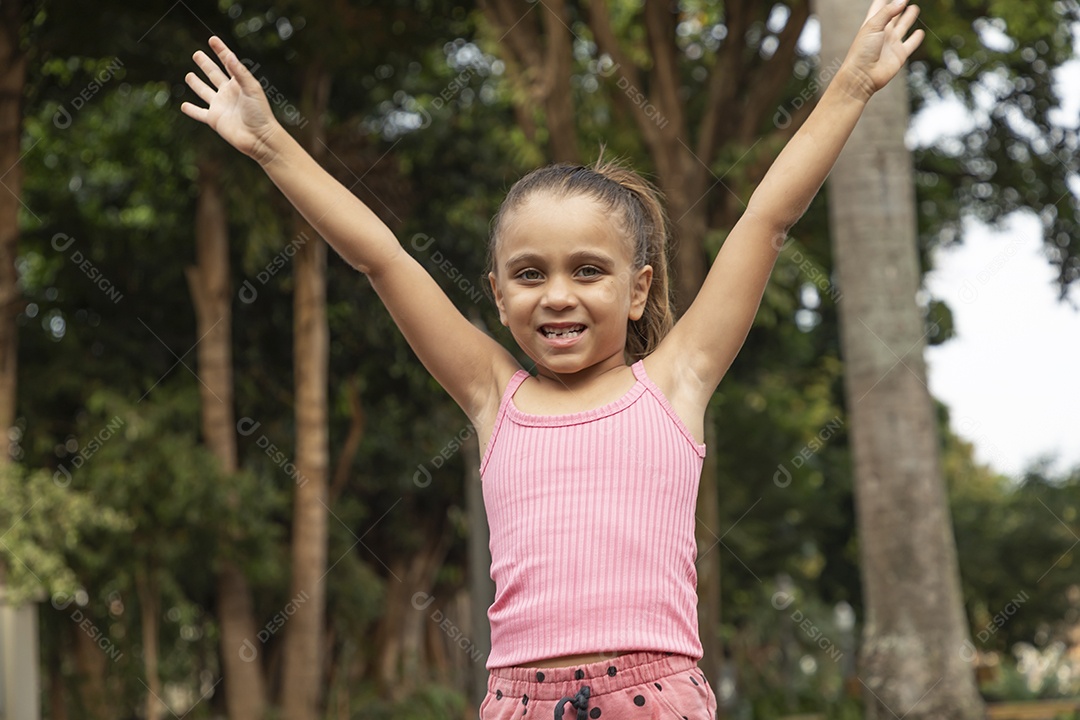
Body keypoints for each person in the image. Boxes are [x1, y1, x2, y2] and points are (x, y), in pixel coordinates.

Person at [182, 0, 923, 716]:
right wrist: (272, 145)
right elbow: (381, 258)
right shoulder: (491, 395)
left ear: (639, 292)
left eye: (589, 272)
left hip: (653, 695)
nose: (558, 296)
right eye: (530, 274)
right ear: (499, 297)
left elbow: (766, 219)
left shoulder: (675, 380)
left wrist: (852, 83)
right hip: (519, 700)